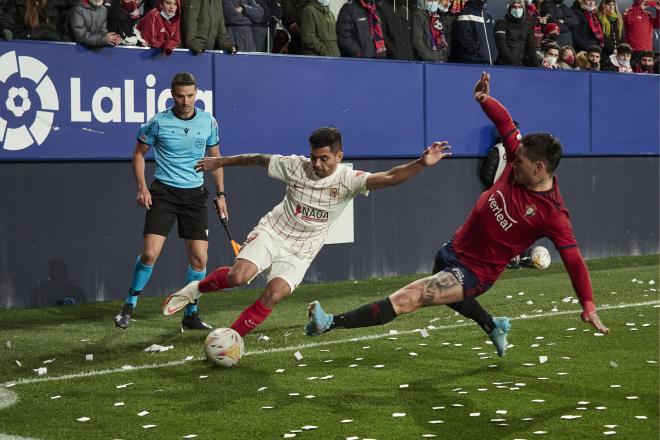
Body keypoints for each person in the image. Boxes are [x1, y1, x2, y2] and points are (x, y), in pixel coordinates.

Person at [304, 72, 610, 357]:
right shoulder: (520, 155)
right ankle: (493, 325)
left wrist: (588, 303)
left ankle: (329, 322)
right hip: (454, 249)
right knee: (446, 290)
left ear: (540, 168)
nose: (513, 163)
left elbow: (574, 260)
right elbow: (505, 124)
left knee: (410, 297)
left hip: (477, 272)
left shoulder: (552, 214)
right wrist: (485, 100)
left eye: (520, 162)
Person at [162, 128, 452, 337]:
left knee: (273, 294)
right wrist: (220, 162)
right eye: (314, 157)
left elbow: (389, 178)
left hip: (302, 250)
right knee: (239, 276)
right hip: (273, 231)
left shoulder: (349, 180)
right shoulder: (295, 166)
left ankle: (232, 338)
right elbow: (257, 158)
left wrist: (421, 164)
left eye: (324, 158)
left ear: (339, 156)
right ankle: (194, 290)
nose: (317, 164)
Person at [114, 72, 228, 330]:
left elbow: (216, 160)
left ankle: (191, 313)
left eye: (190, 95)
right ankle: (129, 304)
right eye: (180, 95)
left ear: (196, 93)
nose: (185, 100)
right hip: (164, 193)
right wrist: (142, 187)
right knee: (150, 253)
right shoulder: (157, 122)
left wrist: (221, 195)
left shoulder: (209, 122)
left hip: (195, 195)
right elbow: (138, 155)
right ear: (172, 95)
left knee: (199, 259)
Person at [493, 0, 539, 67]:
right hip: (504, 65)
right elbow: (501, 46)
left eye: (520, 7)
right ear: (509, 9)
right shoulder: (501, 23)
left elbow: (531, 47)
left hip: (521, 66)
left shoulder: (527, 25)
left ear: (523, 9)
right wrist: (513, 63)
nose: (517, 9)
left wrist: (537, 67)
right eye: (514, 7)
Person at [455, 0, 497, 65]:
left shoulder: (488, 16)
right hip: (473, 62)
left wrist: (494, 54)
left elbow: (492, 39)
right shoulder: (466, 12)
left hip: (490, 63)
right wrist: (477, 51)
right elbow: (464, 36)